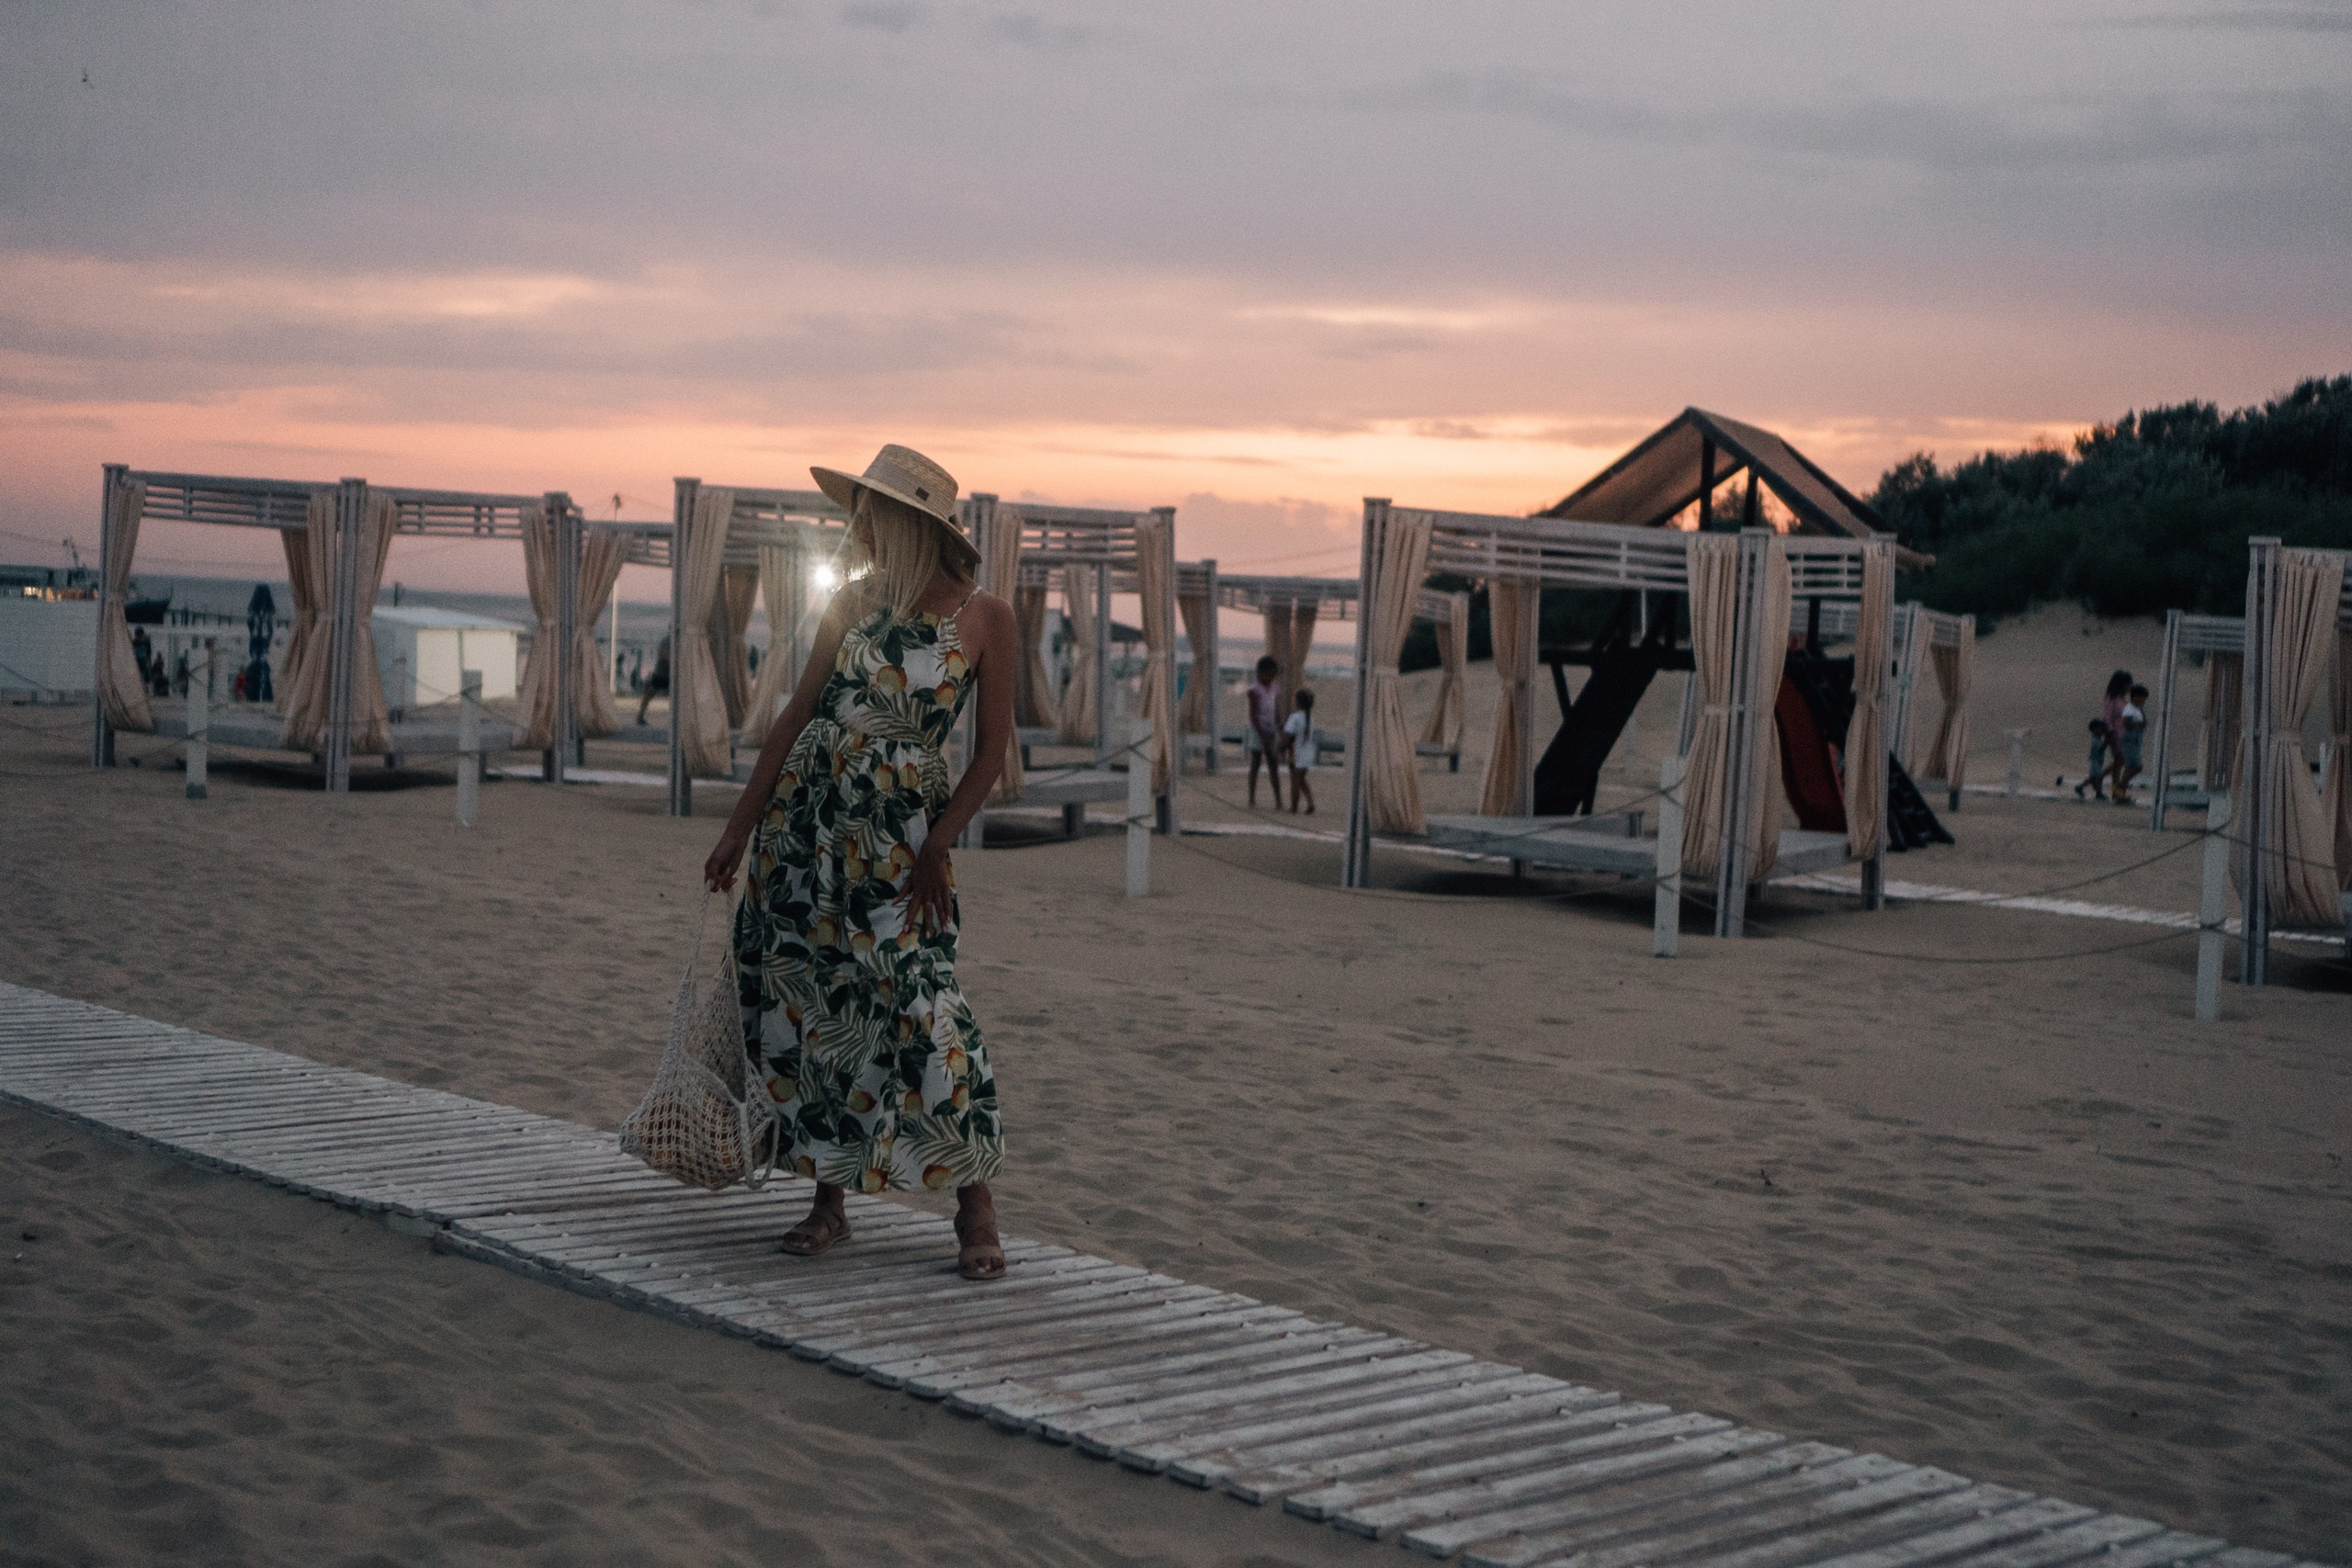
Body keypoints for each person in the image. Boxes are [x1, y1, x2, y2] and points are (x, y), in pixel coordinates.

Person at [702, 444, 1017, 1282]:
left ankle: (975, 1205)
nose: (861, 525)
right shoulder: (851, 601)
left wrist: (940, 841)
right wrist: (738, 829)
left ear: (915, 522)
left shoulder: (986, 618)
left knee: (924, 1004)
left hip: (903, 843)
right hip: (808, 835)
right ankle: (827, 1201)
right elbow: (796, 715)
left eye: (876, 512)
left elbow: (993, 751)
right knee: (810, 1006)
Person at [1245, 655, 1284, 809]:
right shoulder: (1254, 690)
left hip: (1271, 728)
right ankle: (1251, 798)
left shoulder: (1274, 687)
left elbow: (1276, 708)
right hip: (1257, 729)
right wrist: (1261, 735)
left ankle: (1278, 800)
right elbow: (1253, 715)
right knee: (1255, 763)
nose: (1271, 678)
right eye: (1269, 674)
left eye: (1273, 675)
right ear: (1261, 673)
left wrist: (1279, 725)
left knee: (1273, 764)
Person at [1283, 688, 1318, 815]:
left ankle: (1294, 807)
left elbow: (1287, 736)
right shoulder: (1311, 719)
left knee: (1295, 782)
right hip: (1307, 754)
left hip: (1296, 753)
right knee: (1302, 780)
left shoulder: (1295, 717)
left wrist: (1282, 747)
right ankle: (1310, 802)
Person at [2113, 682, 2149, 804]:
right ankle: (2120, 788)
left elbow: (2144, 722)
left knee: (2132, 766)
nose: (2144, 700)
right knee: (2135, 766)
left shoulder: (2137, 709)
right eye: (2142, 697)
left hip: (2135, 739)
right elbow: (2126, 723)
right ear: (2136, 697)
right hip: (2130, 739)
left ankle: (2120, 791)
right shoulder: (2129, 709)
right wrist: (2138, 725)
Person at [2098, 670, 2132, 798]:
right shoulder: (2111, 698)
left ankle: (2111, 786)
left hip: (2124, 736)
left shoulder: (2122, 699)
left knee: (2119, 762)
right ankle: (2116, 790)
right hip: (2115, 735)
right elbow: (2108, 717)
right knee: (2119, 761)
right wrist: (2110, 734)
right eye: (2128, 684)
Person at [636, 637, 671, 726]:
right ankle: (640, 716)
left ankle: (640, 715)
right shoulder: (667, 640)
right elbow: (662, 653)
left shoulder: (669, 639)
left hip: (667, 671)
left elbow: (663, 653)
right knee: (649, 692)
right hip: (662, 672)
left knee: (649, 692)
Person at [2075, 718, 2109, 802]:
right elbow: (2100, 750)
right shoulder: (2096, 740)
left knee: (2093, 777)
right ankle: (2098, 793)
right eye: (2101, 728)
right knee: (2099, 777)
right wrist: (2106, 742)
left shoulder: (2098, 739)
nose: (2102, 730)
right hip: (2095, 762)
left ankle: (2080, 787)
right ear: (2094, 730)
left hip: (2097, 762)